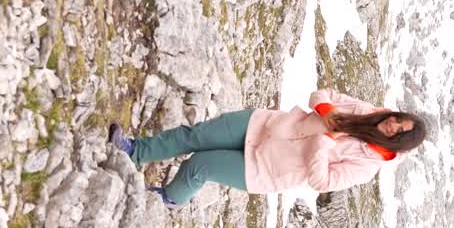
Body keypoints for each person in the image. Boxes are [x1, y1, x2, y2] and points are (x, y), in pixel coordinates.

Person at [108, 89, 426, 208]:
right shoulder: (367, 111)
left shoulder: (367, 166)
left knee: (198, 166)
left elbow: (321, 182)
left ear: (397, 143)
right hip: (263, 125)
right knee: (194, 135)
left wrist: (324, 142)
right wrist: (327, 110)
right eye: (398, 120)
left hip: (265, 169)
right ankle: (134, 151)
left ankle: (168, 199)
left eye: (399, 132)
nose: (393, 125)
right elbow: (321, 94)